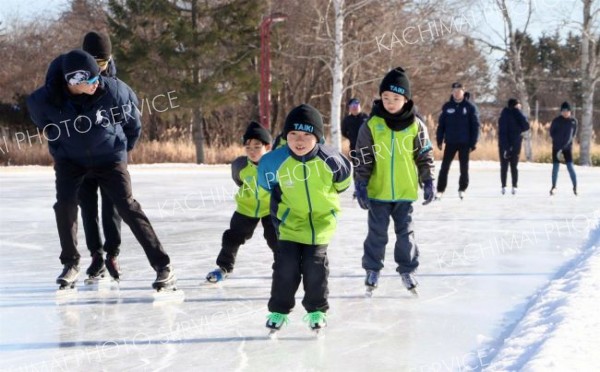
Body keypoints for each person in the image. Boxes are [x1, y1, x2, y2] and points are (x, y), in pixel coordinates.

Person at [27, 49, 176, 290]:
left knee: (127, 206)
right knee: (64, 205)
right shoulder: (44, 100)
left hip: (109, 157)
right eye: (92, 79)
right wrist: (59, 145)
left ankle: (162, 266)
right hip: (70, 161)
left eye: (99, 76)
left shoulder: (115, 91)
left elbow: (133, 125)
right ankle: (71, 263)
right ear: (74, 81)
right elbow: (44, 124)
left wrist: (121, 150)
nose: (98, 82)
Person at [258, 104, 352, 332]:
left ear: (317, 138)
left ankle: (316, 310)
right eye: (293, 134)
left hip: (321, 224)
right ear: (285, 136)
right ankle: (278, 311)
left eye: (307, 135)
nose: (299, 140)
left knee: (315, 266)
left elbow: (344, 182)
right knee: (286, 266)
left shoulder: (331, 160)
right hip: (289, 224)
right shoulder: (273, 162)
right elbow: (265, 185)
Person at [45, 31, 122, 281]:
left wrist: (120, 146)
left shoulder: (112, 77)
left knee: (113, 206)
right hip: (79, 154)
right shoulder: (70, 72)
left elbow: (123, 115)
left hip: (107, 153)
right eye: (94, 62)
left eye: (103, 63)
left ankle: (112, 252)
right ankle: (96, 255)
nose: (99, 69)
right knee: (87, 206)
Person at [353, 67, 435, 295]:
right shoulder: (371, 125)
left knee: (405, 234)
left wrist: (428, 180)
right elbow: (362, 157)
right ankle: (372, 270)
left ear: (406, 99)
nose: (390, 102)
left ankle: (408, 270)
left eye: (396, 98)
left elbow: (424, 155)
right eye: (386, 97)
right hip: (377, 192)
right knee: (376, 234)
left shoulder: (416, 125)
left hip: (404, 191)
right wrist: (360, 183)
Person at [205, 121, 278, 283]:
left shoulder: (276, 165)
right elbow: (239, 181)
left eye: (257, 147)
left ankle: (284, 267)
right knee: (232, 238)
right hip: (246, 208)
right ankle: (224, 267)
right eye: (248, 147)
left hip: (270, 209)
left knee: (276, 239)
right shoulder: (240, 165)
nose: (252, 151)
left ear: (268, 147)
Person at [435, 82, 480, 199]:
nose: (456, 93)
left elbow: (475, 126)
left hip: (465, 142)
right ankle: (440, 190)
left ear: (463, 92)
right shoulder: (447, 106)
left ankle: (462, 188)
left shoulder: (470, 107)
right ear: (452, 92)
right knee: (444, 167)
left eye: (458, 91)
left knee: (464, 168)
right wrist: (439, 139)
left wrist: (473, 142)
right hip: (450, 142)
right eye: (454, 91)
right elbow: (441, 125)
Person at [498, 98, 530, 195]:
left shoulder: (514, 115)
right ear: (515, 105)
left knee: (511, 166)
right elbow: (503, 132)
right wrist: (506, 147)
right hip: (508, 143)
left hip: (511, 144)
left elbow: (526, 126)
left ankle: (510, 186)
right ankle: (507, 186)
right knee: (507, 166)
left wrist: (518, 112)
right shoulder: (507, 115)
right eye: (518, 105)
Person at [550, 101, 578, 196]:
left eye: (567, 111)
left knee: (570, 167)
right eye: (563, 111)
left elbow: (573, 134)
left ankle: (575, 186)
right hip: (557, 148)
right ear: (561, 111)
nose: (565, 113)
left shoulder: (573, 121)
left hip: (567, 148)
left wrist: (567, 144)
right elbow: (552, 133)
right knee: (555, 168)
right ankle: (553, 186)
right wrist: (558, 144)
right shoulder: (556, 121)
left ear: (570, 111)